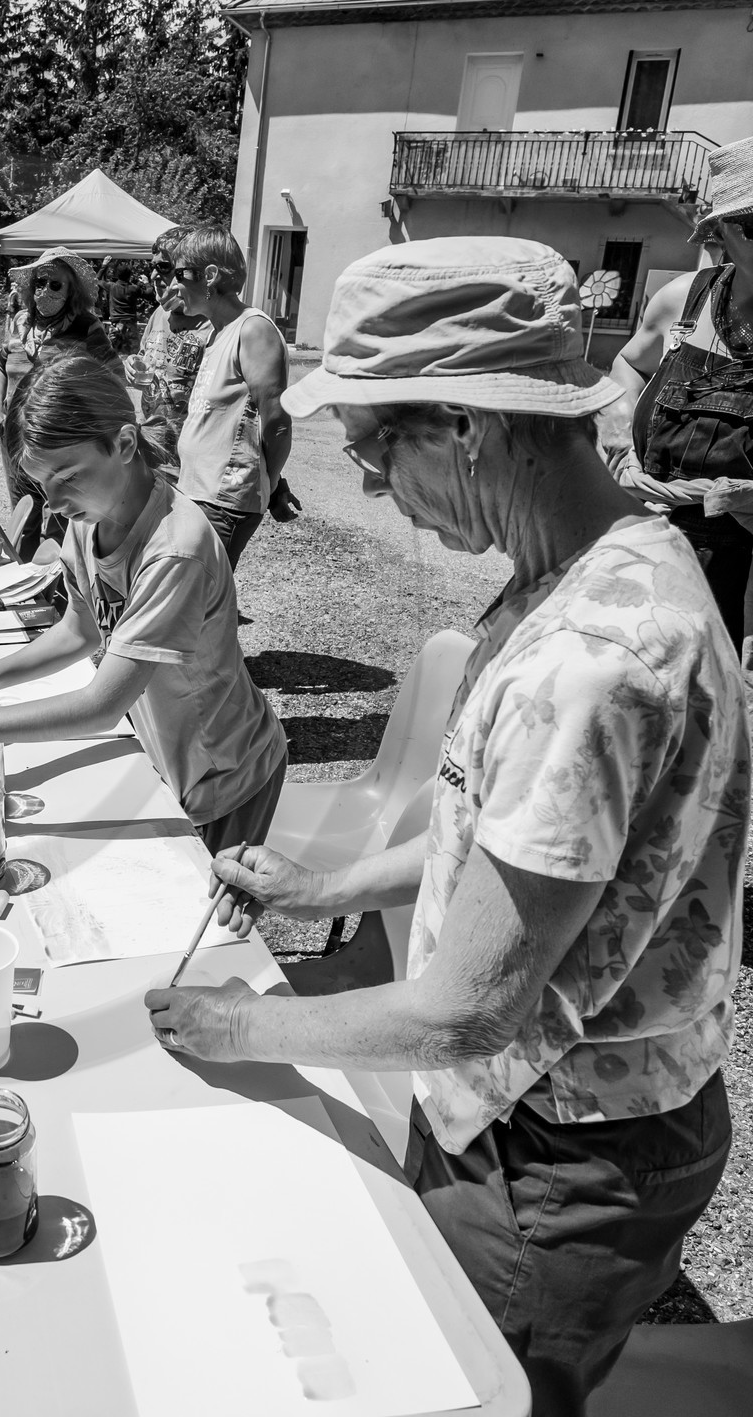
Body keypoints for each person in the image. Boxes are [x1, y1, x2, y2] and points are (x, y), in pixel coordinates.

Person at [146, 237, 746, 1417]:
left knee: (457, 1390)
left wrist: (245, 1022)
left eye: (374, 447)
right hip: (548, 1126)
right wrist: (328, 891)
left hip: (556, 1155)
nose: (367, 484)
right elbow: (518, 844)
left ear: (466, 426)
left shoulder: (592, 659)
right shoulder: (578, 565)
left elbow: (469, 1005)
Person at [0, 355, 287, 855]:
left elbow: (100, 707)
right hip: (170, 756)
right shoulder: (89, 518)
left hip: (225, 773)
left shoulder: (176, 551)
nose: (55, 502)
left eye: (68, 477)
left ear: (125, 445)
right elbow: (80, 631)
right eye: (42, 484)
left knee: (210, 920)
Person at [607, 133, 753, 649]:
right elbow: (628, 363)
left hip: (737, 580)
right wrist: (621, 443)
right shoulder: (682, 301)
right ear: (728, 230)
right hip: (641, 540)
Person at [170, 226, 297, 569]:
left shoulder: (252, 329)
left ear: (209, 276)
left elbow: (277, 423)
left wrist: (268, 484)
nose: (172, 285)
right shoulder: (217, 333)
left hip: (222, 500)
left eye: (178, 273)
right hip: (198, 491)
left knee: (197, 608)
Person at [0, 247, 120, 561]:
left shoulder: (86, 327)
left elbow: (114, 376)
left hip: (60, 441)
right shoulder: (20, 323)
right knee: (25, 512)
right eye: (39, 283)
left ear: (71, 290)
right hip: (16, 438)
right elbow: (0, 364)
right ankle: (24, 582)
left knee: (60, 520)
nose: (44, 291)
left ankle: (58, 593)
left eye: (55, 285)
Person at [134, 226, 215, 452]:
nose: (153, 275)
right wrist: (133, 365)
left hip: (193, 450)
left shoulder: (215, 324)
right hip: (153, 442)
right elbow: (145, 357)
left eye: (164, 267)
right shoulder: (159, 314)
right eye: (153, 267)